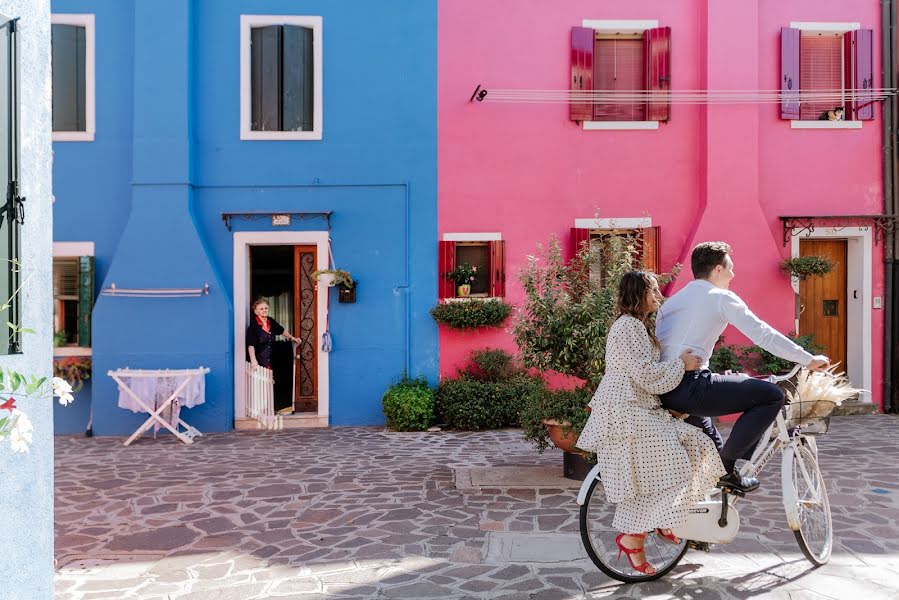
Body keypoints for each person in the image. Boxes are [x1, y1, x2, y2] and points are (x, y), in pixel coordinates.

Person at [576, 271, 726, 576]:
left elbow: (646, 375)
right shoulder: (628, 326)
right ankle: (652, 527)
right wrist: (681, 365)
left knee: (686, 449)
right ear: (638, 294)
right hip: (625, 412)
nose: (658, 294)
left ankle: (658, 523)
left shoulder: (638, 327)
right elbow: (645, 374)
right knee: (670, 460)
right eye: (652, 290)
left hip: (638, 408)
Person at [656, 242, 830, 493]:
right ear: (717, 270)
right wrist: (807, 359)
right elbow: (762, 334)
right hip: (691, 387)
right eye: (730, 269)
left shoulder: (672, 302)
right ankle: (729, 466)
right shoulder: (720, 297)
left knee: (714, 463)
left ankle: (714, 501)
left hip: (666, 389)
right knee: (771, 396)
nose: (733, 275)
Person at [247, 299, 300, 369]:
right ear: (256, 312)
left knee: (272, 379)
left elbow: (281, 330)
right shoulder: (253, 325)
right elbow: (251, 345)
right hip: (259, 362)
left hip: (272, 360)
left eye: (266, 308)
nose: (264, 310)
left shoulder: (271, 321)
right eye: (261, 309)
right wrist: (253, 360)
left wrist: (292, 337)